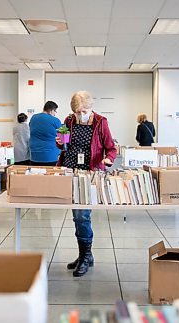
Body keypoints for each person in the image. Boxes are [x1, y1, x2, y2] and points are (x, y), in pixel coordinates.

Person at [56, 91, 117, 277]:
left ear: (91, 108)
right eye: (77, 111)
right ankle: (85, 254)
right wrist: (59, 142)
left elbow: (111, 148)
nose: (80, 114)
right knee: (77, 215)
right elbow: (63, 145)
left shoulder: (100, 122)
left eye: (84, 111)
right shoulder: (68, 121)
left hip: (90, 174)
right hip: (70, 171)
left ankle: (85, 255)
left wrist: (108, 160)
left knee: (82, 216)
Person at [29, 101, 61, 166]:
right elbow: (62, 137)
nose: (55, 114)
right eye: (55, 111)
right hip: (51, 156)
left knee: (36, 175)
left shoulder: (33, 118)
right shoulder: (55, 120)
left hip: (34, 156)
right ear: (52, 110)